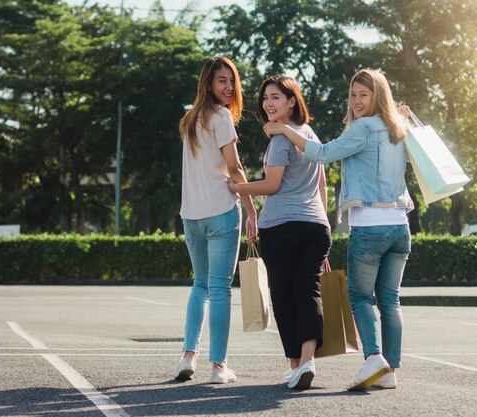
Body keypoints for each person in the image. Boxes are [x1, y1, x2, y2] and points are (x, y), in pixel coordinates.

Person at [264, 68, 412, 391]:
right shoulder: (399, 129)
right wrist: (406, 119)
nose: (357, 101)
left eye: (364, 95)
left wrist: (285, 131)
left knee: (360, 296)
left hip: (370, 225)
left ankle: (374, 358)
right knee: (390, 300)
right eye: (353, 95)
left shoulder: (363, 129)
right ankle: (390, 370)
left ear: (378, 97)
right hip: (401, 227)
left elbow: (322, 154)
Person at [228, 75, 331, 390]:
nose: (268, 103)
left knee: (285, 297)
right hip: (316, 227)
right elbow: (323, 184)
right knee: (309, 292)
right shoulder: (308, 134)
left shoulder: (280, 141)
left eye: (275, 97)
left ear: (291, 101)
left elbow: (271, 186)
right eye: (265, 98)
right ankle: (307, 361)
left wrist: (235, 186)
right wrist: (324, 222)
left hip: (281, 228)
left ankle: (296, 365)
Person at [174, 57, 258, 384]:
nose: (228, 87)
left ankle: (188, 356)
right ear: (208, 84)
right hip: (221, 211)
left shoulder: (190, 119)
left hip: (191, 216)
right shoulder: (221, 117)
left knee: (200, 285)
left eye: (231, 81)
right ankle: (218, 366)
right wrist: (252, 210)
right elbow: (235, 168)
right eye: (221, 81)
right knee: (220, 289)